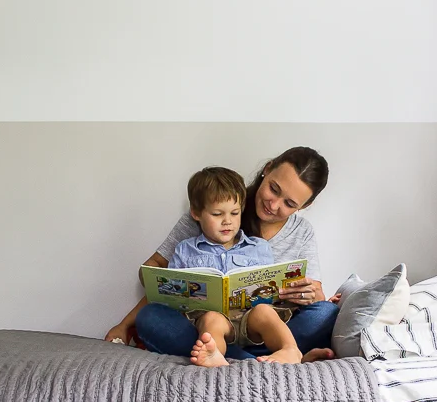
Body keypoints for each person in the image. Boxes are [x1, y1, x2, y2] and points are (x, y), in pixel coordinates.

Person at [105, 146, 339, 360]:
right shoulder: (215, 205)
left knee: (325, 313)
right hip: (208, 326)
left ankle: (264, 354)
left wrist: (309, 294)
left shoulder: (301, 232)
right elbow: (159, 275)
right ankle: (263, 360)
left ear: (304, 206)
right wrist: (125, 324)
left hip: (260, 325)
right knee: (151, 317)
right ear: (267, 171)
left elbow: (314, 297)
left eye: (289, 203)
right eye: (273, 189)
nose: (274, 205)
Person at [167, 166, 302, 367]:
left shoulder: (259, 248)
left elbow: (271, 287)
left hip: (251, 318)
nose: (227, 221)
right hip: (213, 319)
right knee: (211, 319)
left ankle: (291, 350)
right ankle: (215, 355)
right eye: (217, 214)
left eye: (235, 213)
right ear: (196, 213)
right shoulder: (185, 250)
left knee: (265, 311)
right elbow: (172, 294)